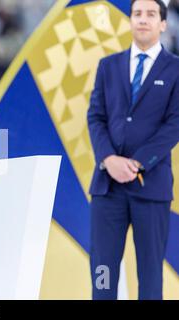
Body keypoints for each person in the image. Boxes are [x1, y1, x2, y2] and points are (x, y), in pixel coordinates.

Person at [87, 0, 179, 300]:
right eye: (137, 13)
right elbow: (96, 117)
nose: (143, 19)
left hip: (150, 187)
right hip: (108, 186)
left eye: (151, 14)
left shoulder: (176, 69)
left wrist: (137, 163)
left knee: (150, 275)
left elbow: (174, 124)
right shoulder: (108, 66)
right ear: (130, 20)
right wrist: (109, 159)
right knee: (102, 272)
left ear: (163, 24)